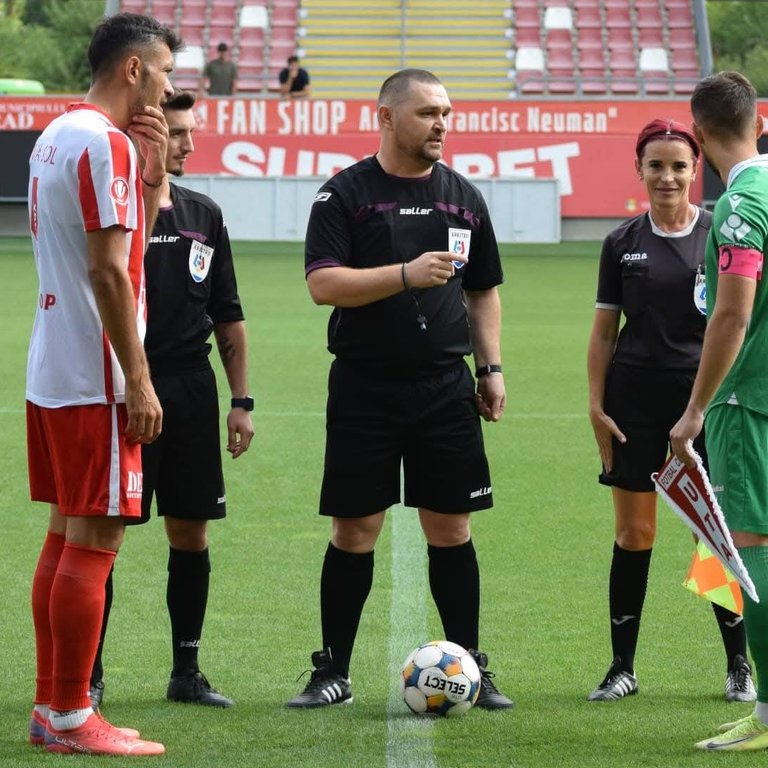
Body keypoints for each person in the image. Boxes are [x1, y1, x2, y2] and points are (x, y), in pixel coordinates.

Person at [286, 68, 513, 710]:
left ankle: (471, 668)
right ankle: (332, 671)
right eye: (427, 113)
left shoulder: (463, 197)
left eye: (446, 113)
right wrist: (405, 274)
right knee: (355, 530)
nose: (441, 124)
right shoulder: (343, 195)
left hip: (445, 387)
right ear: (385, 117)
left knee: (452, 528)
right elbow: (323, 284)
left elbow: (482, 290)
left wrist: (491, 368)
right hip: (365, 386)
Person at [26, 12, 180, 756]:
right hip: (97, 374)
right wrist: (138, 381)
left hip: (55, 364)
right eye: (166, 72)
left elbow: (122, 248)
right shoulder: (103, 142)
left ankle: (50, 705)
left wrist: (152, 176)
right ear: (133, 69)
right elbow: (110, 273)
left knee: (64, 536)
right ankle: (69, 716)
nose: (169, 87)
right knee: (96, 541)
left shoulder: (59, 133)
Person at [89, 89, 254, 710]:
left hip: (190, 389)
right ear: (144, 135)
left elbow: (227, 314)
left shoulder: (204, 213)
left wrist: (242, 400)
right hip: (120, 385)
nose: (188, 144)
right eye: (177, 133)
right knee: (104, 536)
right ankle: (88, 676)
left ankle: (187, 671)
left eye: (189, 132)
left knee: (190, 532)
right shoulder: (114, 207)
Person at [586, 118, 755, 703]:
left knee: (715, 535)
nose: (667, 176)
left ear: (696, 168)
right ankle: (622, 668)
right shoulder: (620, 242)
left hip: (703, 401)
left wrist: (707, 403)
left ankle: (738, 666)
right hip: (632, 400)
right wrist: (595, 405)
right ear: (639, 169)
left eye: (679, 165)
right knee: (634, 533)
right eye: (655, 165)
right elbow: (604, 333)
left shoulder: (719, 230)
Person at [671, 71, 768, 751]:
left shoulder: (741, 204)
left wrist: (696, 408)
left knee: (750, 552)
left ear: (697, 138)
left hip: (749, 402)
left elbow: (731, 315)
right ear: (759, 122)